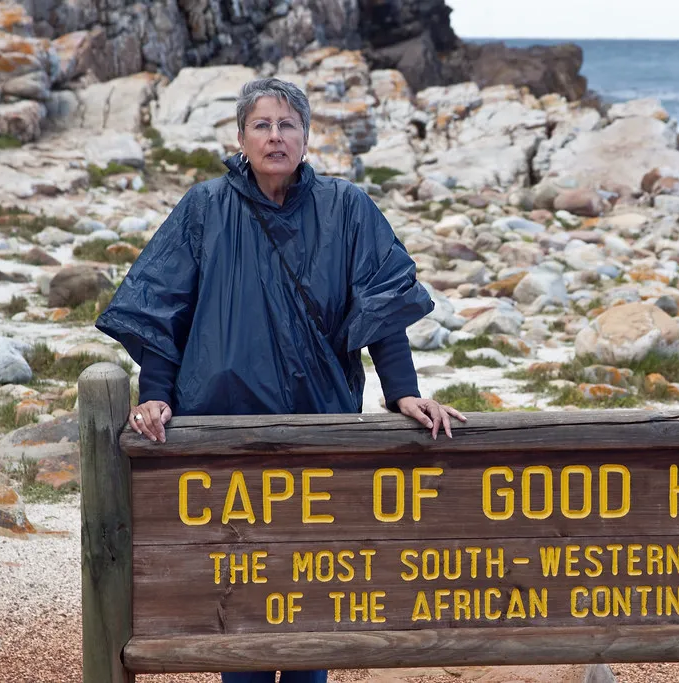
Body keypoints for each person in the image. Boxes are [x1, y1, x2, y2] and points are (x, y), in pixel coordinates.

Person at [95, 78, 466, 683]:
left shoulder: (347, 209)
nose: (275, 136)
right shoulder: (205, 207)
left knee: (308, 597)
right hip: (222, 439)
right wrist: (156, 395)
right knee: (236, 601)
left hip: (317, 436)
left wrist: (402, 392)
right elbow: (162, 310)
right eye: (262, 125)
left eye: (287, 124)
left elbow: (384, 306)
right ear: (240, 137)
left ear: (306, 135)